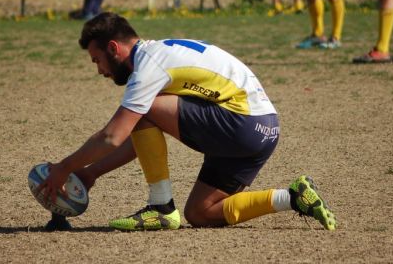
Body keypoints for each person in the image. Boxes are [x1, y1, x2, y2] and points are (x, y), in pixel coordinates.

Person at [37, 12, 337, 232]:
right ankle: (294, 197)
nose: (99, 70)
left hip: (241, 124)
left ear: (114, 48)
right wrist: (90, 174)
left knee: (143, 109)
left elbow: (112, 136)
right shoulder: (161, 53)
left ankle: (161, 208)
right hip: (265, 130)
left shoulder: (148, 66)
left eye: (97, 60)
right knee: (201, 212)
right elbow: (137, 138)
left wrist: (64, 168)